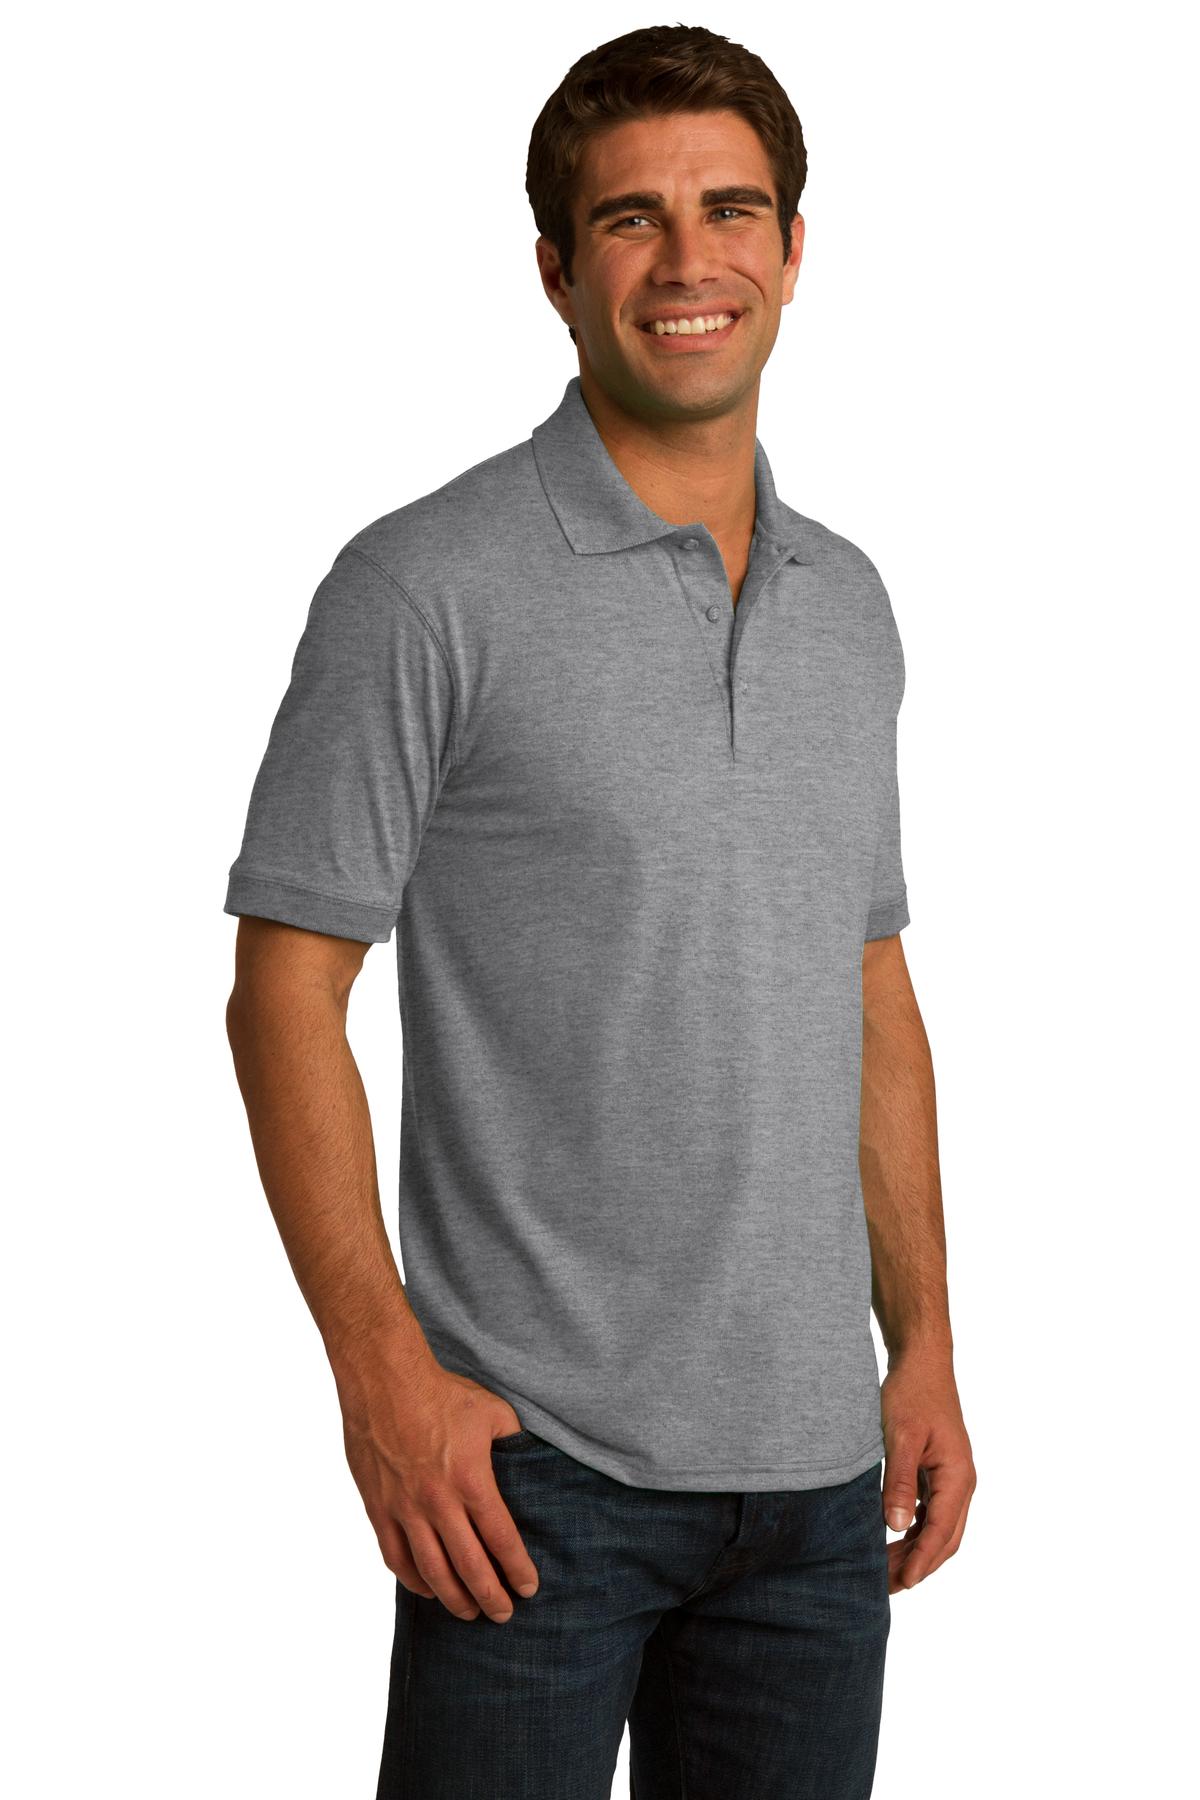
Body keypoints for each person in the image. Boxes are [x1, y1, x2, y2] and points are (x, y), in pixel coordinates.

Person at [224, 22, 975, 1799]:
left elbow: (866, 985)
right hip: (528, 1477)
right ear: (558, 271)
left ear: (794, 249)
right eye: (633, 220)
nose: (690, 260)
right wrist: (381, 1377)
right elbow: (282, 994)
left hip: (815, 1495)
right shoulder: (423, 586)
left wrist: (927, 1341)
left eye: (733, 210)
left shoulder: (850, 604)